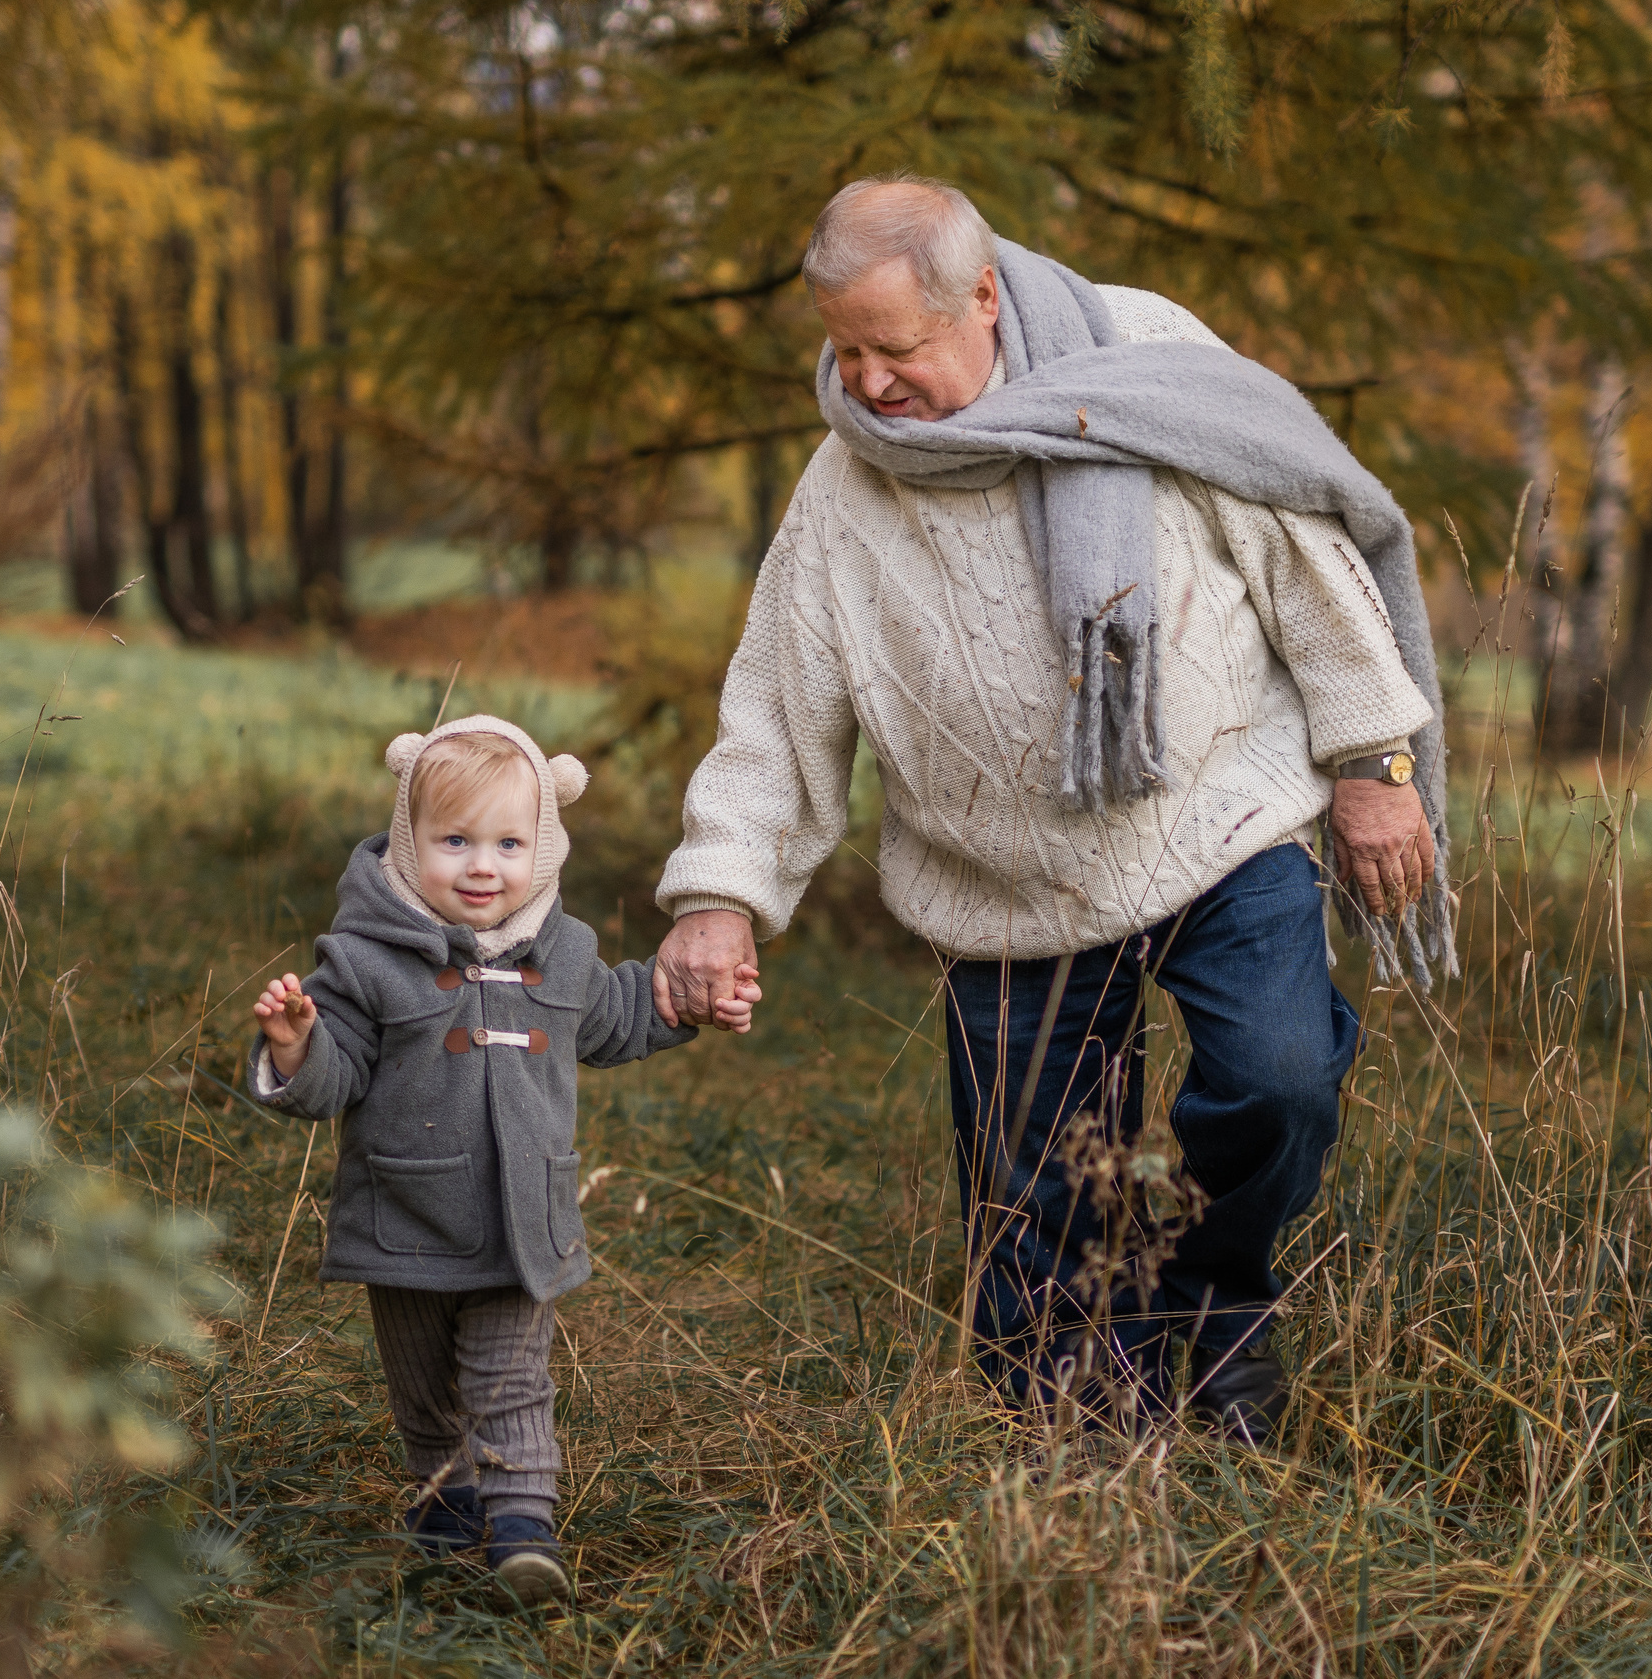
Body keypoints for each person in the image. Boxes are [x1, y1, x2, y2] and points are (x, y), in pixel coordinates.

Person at [650, 176, 1452, 1443]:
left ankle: (1208, 1317)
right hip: (1001, 880)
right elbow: (777, 703)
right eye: (841, 349)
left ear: (979, 297)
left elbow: (1308, 555)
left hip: (1218, 821)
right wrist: (718, 898)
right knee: (1033, 1214)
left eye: (893, 348)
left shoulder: (1147, 362)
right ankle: (1072, 1440)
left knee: (1281, 1082)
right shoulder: (849, 481)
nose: (863, 383)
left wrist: (1372, 760)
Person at [248, 715, 760, 1603]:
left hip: (525, 1219)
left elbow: (617, 1015)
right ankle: (445, 1517)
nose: (483, 866)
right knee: (424, 1388)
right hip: (404, 1220)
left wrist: (692, 1004)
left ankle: (525, 1531)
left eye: (509, 842)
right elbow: (337, 1077)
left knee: (512, 1377)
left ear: (546, 847)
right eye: (455, 841)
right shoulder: (365, 960)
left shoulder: (564, 954)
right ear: (411, 846)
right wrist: (298, 1046)